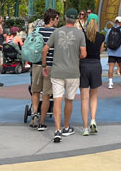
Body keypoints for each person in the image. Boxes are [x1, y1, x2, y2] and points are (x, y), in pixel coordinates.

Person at [44, 8, 86, 141]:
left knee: (57, 99)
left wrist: (44, 66)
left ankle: (57, 130)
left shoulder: (57, 32)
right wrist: (76, 56)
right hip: (73, 72)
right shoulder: (80, 34)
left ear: (65, 18)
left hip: (57, 71)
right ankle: (66, 127)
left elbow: (45, 50)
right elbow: (83, 54)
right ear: (76, 20)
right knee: (69, 100)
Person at [32, 9, 59, 131]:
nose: (58, 21)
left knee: (35, 91)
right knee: (47, 94)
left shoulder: (37, 30)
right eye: (57, 18)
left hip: (36, 65)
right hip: (49, 66)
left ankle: (34, 114)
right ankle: (42, 122)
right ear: (52, 19)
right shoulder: (56, 33)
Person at [80, 14, 103, 136]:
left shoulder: (82, 36)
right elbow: (100, 51)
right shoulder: (101, 37)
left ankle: (84, 128)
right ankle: (93, 120)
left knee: (84, 98)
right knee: (93, 96)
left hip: (83, 65)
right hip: (95, 65)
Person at [105, 16, 121, 89]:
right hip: (120, 52)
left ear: (115, 22)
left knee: (111, 67)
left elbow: (106, 40)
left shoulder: (109, 30)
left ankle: (110, 82)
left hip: (111, 52)